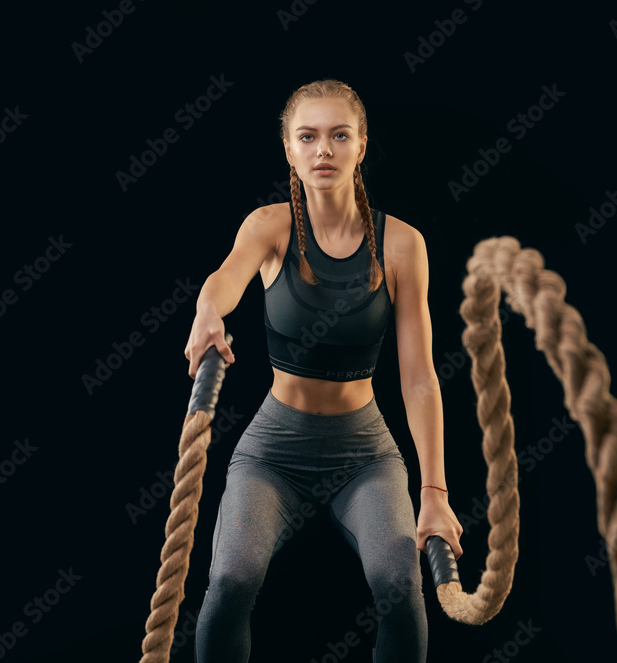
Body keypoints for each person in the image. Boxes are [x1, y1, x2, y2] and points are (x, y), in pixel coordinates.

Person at [183, 79, 463, 663]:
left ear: (362, 145)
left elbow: (418, 378)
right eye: (307, 136)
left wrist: (434, 493)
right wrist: (209, 309)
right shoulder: (269, 227)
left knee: (399, 587)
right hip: (273, 449)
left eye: (340, 135)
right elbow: (226, 278)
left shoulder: (404, 245)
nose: (323, 151)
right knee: (230, 581)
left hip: (364, 452)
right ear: (289, 149)